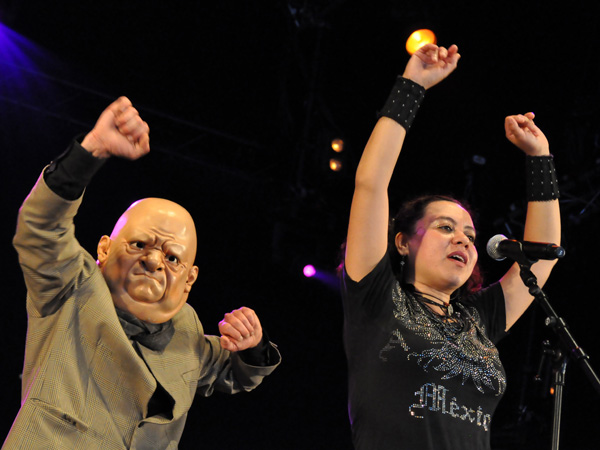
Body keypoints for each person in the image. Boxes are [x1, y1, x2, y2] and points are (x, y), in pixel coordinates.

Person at [4, 97, 281, 450]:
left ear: (189, 279)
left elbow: (236, 373)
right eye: (138, 244)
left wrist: (253, 345)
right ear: (104, 249)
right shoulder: (71, 287)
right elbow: (40, 226)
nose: (153, 261)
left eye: (172, 257)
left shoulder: (189, 334)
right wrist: (92, 149)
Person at [341, 44, 561, 449]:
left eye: (470, 236)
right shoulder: (377, 298)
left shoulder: (478, 320)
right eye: (445, 227)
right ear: (403, 242)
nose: (463, 239)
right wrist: (412, 85)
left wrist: (540, 157)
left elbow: (542, 259)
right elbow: (371, 185)